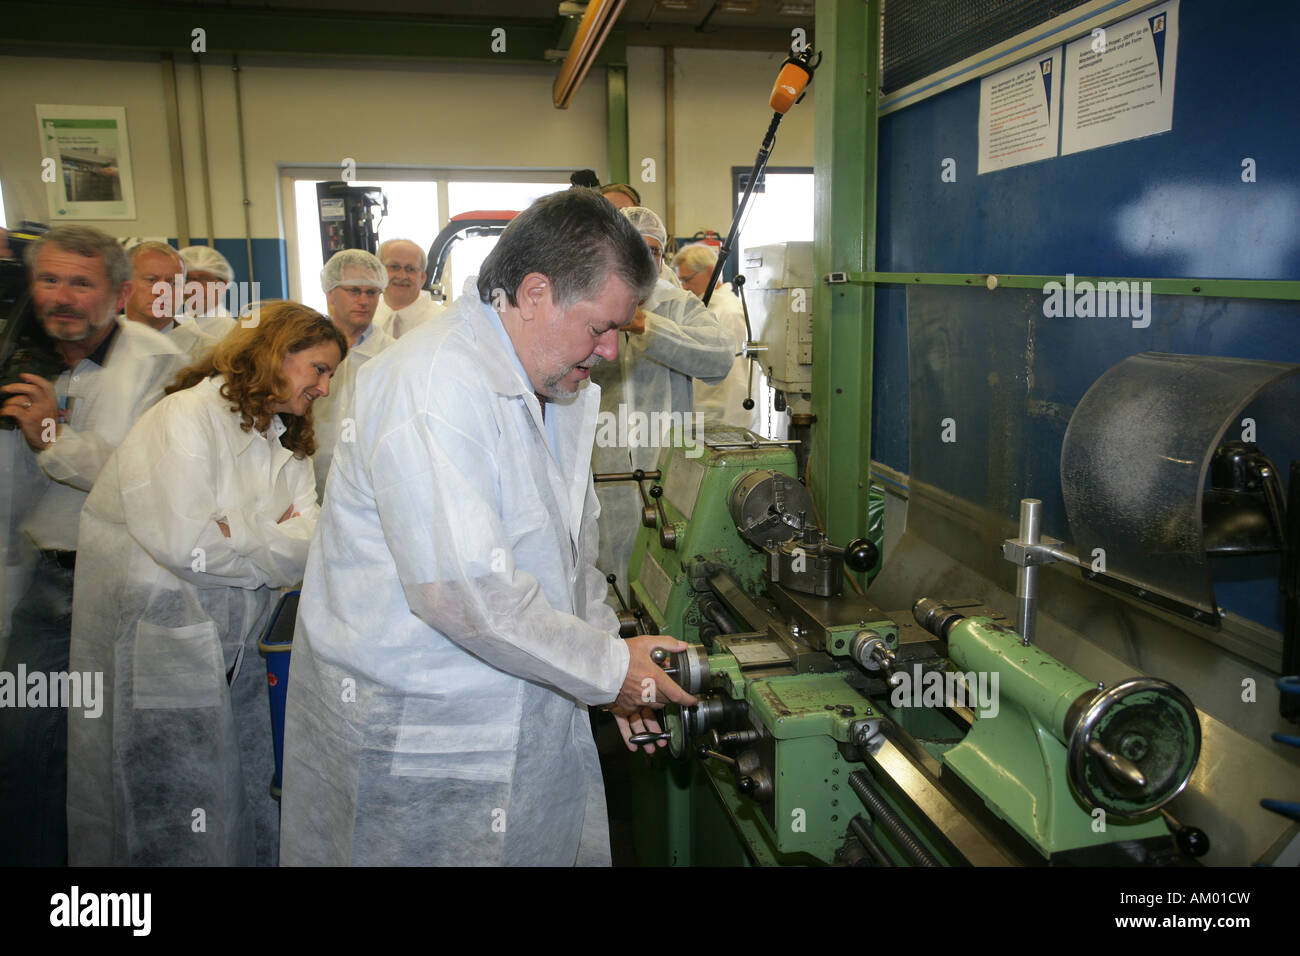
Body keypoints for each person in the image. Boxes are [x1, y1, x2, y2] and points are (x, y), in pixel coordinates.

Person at [279, 188, 697, 866]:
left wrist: (606, 657)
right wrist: (609, 669)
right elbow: (464, 590)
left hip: (516, 718)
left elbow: (568, 560)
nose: (613, 351)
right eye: (601, 327)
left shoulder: (552, 385)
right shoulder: (431, 383)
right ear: (535, 293)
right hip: (430, 740)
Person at [65, 301, 346, 866]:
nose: (325, 385)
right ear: (274, 352)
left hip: (237, 645)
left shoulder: (283, 440)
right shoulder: (184, 418)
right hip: (167, 643)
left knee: (234, 792)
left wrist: (234, 530)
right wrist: (268, 535)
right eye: (318, 368)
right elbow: (184, 543)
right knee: (163, 803)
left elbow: (312, 544)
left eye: (332, 374)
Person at [0, 225, 188, 866]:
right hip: (40, 581)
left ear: (120, 292)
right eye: (49, 280)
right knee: (26, 749)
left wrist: (54, 436)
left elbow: (144, 482)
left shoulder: (158, 365)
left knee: (119, 752)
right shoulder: (19, 357)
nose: (62, 297)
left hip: (121, 582)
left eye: (82, 283)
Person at [591, 206, 735, 588]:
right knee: (604, 569)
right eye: (635, 249)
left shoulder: (676, 304)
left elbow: (719, 358)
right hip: (601, 466)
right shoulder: (586, 298)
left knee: (666, 569)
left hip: (668, 463)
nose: (645, 259)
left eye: (654, 251)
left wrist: (645, 325)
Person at [310, 248, 393, 492]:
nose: (364, 301)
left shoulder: (392, 354)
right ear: (330, 292)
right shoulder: (305, 349)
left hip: (371, 481)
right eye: (354, 291)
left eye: (372, 292)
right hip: (310, 475)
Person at [673, 243, 759, 432]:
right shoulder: (703, 309)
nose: (685, 287)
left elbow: (738, 379)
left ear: (710, 272)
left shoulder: (728, 313)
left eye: (687, 280)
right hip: (704, 416)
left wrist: (734, 430)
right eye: (681, 281)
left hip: (724, 421)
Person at [123, 241, 219, 361]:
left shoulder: (209, 352)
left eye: (174, 283)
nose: (163, 292)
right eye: (151, 280)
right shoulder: (98, 344)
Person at [373, 238, 444, 339]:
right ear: (378, 272)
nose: (402, 276)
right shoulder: (366, 318)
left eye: (410, 269)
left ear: (422, 278)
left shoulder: (441, 322)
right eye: (394, 267)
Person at [178, 245, 240, 338]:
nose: (194, 288)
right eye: (188, 279)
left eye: (205, 279)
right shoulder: (173, 325)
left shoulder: (232, 332)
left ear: (223, 284)